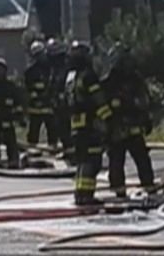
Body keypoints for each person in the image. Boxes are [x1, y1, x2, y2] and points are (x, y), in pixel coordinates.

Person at [103, 53, 157, 199]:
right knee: (117, 161)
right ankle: (120, 191)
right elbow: (103, 105)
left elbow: (145, 102)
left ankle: (149, 187)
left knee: (140, 159)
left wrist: (146, 119)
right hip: (117, 129)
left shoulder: (135, 80)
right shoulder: (109, 82)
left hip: (130, 129)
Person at [65, 42, 110, 207]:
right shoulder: (88, 76)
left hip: (76, 125)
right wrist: (108, 119)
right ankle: (86, 196)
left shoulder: (71, 78)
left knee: (83, 160)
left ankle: (80, 194)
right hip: (90, 125)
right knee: (92, 160)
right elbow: (98, 100)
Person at [23, 40, 59, 150]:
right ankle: (32, 149)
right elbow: (28, 89)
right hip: (36, 106)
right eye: (38, 55)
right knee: (34, 129)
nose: (41, 57)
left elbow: (54, 85)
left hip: (48, 104)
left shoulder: (51, 68)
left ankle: (53, 147)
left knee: (52, 128)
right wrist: (37, 97)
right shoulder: (30, 71)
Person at [47, 38, 72, 153]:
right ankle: (67, 148)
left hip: (68, 104)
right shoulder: (54, 70)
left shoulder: (67, 68)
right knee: (60, 127)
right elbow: (52, 86)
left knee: (67, 127)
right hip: (58, 104)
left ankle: (72, 150)